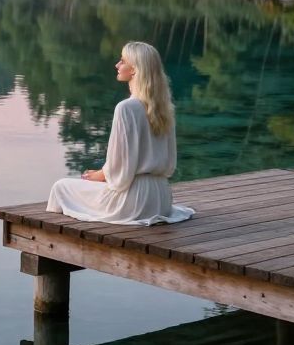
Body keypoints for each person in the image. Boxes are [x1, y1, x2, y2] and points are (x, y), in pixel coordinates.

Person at [47, 41, 193, 226]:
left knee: (61, 187)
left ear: (134, 70)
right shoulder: (164, 108)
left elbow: (120, 170)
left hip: (132, 201)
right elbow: (169, 163)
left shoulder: (126, 108)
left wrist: (100, 175)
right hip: (161, 198)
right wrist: (103, 173)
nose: (117, 65)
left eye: (122, 61)